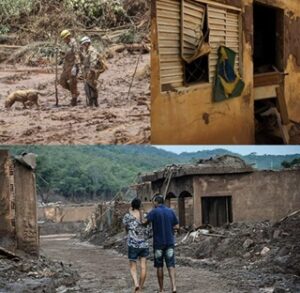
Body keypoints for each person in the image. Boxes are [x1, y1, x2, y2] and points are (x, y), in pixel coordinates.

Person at [145, 195, 179, 293]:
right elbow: (177, 226)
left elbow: (145, 222)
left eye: (153, 202)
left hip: (158, 244)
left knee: (159, 266)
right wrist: (170, 228)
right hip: (169, 242)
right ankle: (174, 287)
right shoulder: (171, 211)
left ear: (156, 202)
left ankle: (161, 289)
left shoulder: (154, 212)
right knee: (171, 265)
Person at [123, 198, 151, 293]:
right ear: (140, 205)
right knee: (143, 266)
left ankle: (136, 284)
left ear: (132, 205)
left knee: (133, 266)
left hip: (133, 244)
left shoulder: (127, 216)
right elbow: (149, 230)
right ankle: (141, 288)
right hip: (144, 244)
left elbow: (126, 228)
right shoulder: (146, 216)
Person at [79, 36, 107, 107]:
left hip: (93, 71)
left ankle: (94, 102)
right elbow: (84, 61)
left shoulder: (92, 51)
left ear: (87, 43)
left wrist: (90, 72)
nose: (83, 46)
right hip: (88, 71)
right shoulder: (86, 51)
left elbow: (93, 62)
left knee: (91, 86)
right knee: (88, 86)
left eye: (84, 44)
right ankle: (92, 102)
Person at [59, 29, 81, 106]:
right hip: (66, 67)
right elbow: (64, 54)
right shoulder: (66, 44)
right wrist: (61, 57)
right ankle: (75, 92)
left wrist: (76, 66)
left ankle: (74, 98)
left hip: (73, 66)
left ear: (68, 37)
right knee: (62, 82)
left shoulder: (74, 43)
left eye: (64, 38)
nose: (63, 40)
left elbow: (77, 54)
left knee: (72, 83)